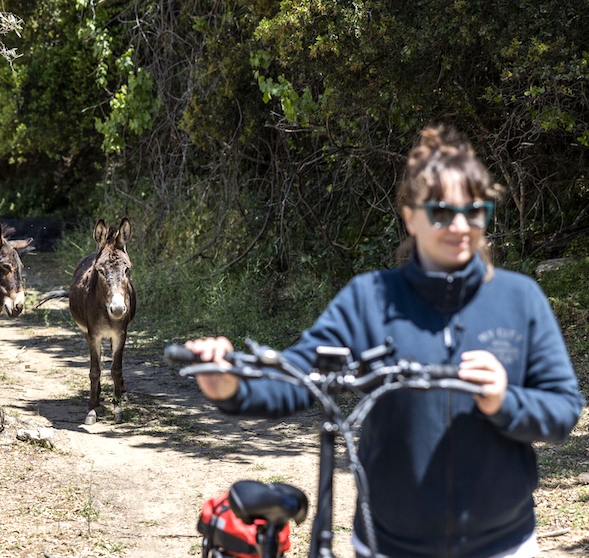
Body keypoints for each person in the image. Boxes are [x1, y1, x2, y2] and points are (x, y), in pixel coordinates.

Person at [185, 125, 585, 558]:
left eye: (475, 210)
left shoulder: (519, 298)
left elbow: (563, 410)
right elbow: (300, 375)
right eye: (441, 212)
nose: (460, 225)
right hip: (388, 544)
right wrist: (231, 386)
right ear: (410, 215)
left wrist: (505, 401)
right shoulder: (370, 300)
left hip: (504, 545)